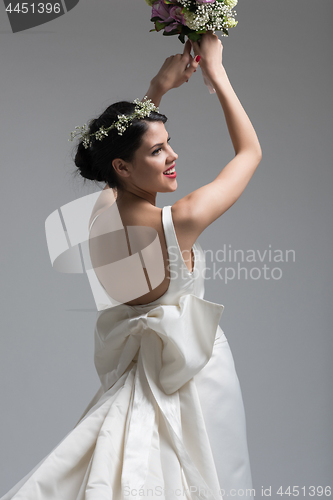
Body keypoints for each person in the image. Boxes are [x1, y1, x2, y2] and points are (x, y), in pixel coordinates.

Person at [1, 32, 262, 500]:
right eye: (158, 150)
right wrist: (217, 73)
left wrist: (156, 90)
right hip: (199, 374)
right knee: (212, 477)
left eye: (169, 142)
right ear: (124, 167)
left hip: (139, 371)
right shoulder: (181, 221)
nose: (173, 155)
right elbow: (250, 154)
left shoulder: (98, 215)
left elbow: (117, 154)